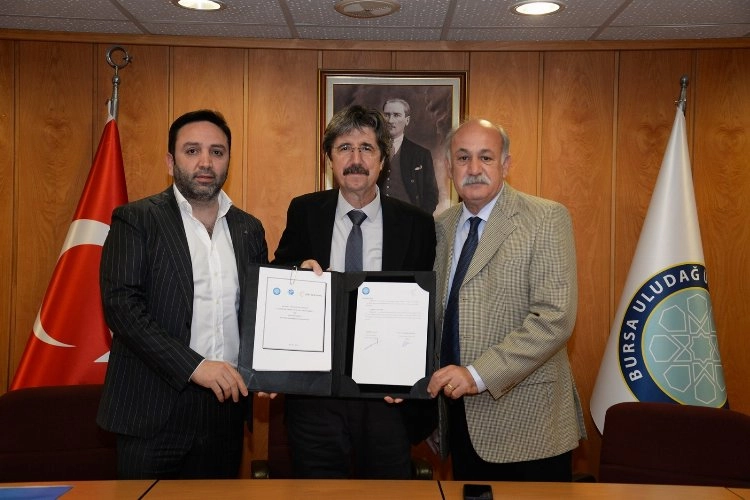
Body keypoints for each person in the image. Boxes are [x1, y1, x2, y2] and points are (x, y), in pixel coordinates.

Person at [96, 109, 269, 479]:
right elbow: (122, 307)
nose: (205, 162)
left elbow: (260, 310)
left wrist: (269, 370)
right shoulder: (137, 219)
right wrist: (195, 366)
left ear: (228, 161)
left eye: (217, 152)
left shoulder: (249, 229)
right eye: (192, 151)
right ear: (170, 161)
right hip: (153, 411)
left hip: (225, 409)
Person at [272, 104, 436, 479]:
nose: (356, 160)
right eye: (344, 148)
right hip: (315, 395)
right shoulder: (305, 211)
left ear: (383, 160)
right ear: (330, 158)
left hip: (388, 399)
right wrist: (297, 274)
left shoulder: (416, 223)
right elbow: (280, 277)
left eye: (366, 148)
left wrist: (412, 374)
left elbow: (427, 308)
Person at [426, 118, 586, 481]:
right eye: (463, 158)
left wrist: (476, 375)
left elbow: (554, 319)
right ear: (449, 167)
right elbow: (436, 319)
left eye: (486, 157)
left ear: (506, 164)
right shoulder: (441, 227)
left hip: (529, 427)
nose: (474, 168)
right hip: (460, 423)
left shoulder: (545, 218)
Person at [378, 98, 439, 214]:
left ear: (407, 120)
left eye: (396, 115)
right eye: (386, 115)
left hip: (410, 219)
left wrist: (420, 219)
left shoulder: (421, 154)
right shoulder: (371, 150)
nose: (390, 120)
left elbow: (431, 194)